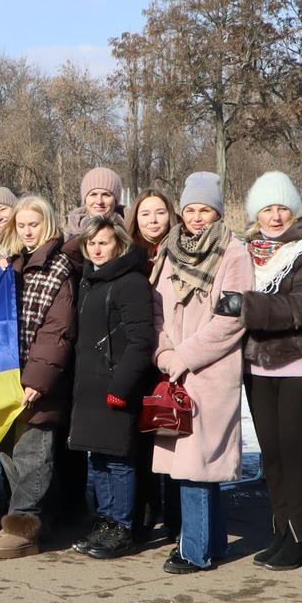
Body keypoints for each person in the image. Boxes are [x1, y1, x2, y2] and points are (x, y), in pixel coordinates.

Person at [214, 171, 302, 570]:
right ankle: (281, 530)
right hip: (257, 365)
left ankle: (299, 538)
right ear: (255, 214)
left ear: (294, 211)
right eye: (266, 209)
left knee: (296, 451)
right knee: (273, 454)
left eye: (282, 208)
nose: (275, 217)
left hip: (300, 361)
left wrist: (246, 306)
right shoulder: (248, 250)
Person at [149, 172, 250, 574]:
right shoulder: (170, 251)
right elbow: (157, 309)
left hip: (210, 369)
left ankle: (195, 550)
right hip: (174, 369)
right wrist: (164, 352)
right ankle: (212, 543)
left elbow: (232, 318)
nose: (195, 217)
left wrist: (185, 355)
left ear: (218, 212)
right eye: (189, 209)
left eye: (203, 209)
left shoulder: (233, 253)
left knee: (198, 466)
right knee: (189, 465)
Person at [0, 195, 76, 560]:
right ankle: (31, 516)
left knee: (34, 453)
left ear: (48, 224)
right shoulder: (12, 264)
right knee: (6, 447)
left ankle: (23, 527)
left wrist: (37, 380)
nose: (27, 231)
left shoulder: (60, 267)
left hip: (40, 378)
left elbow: (59, 330)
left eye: (34, 224)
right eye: (21, 225)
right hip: (5, 373)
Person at [66, 214, 155, 560]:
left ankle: (122, 525)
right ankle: (105, 520)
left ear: (118, 243)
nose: (97, 249)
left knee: (119, 459)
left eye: (103, 242)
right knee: (98, 457)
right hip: (89, 386)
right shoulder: (91, 280)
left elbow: (140, 341)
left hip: (116, 385)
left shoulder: (130, 282)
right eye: (91, 243)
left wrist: (121, 386)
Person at [126, 187, 179, 545]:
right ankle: (144, 510)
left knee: (173, 435)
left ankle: (177, 515)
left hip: (171, 354)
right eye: (145, 214)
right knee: (140, 439)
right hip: (137, 356)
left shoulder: (182, 252)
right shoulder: (128, 254)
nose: (153, 220)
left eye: (159, 213)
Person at [66, 167, 123, 237]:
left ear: (116, 200)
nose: (99, 201)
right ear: (85, 199)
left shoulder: (132, 231)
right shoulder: (68, 238)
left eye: (106, 195)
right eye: (93, 194)